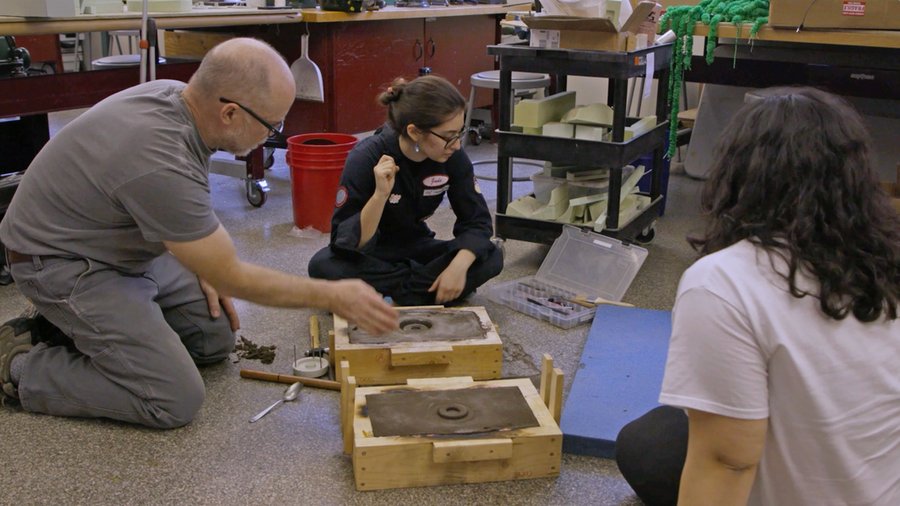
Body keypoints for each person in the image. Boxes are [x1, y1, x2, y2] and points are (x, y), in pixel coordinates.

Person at [0, 38, 398, 429]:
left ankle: (67, 329)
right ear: (230, 113)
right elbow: (233, 276)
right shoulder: (159, 156)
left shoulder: (181, 98)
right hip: (60, 262)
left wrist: (202, 260)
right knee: (172, 397)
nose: (274, 133)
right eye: (272, 124)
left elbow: (178, 208)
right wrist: (332, 294)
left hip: (121, 245)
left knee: (212, 338)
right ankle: (20, 367)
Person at [615, 87, 899, 505]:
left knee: (652, 445)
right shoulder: (886, 260)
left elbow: (727, 463)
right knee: (658, 433)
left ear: (738, 177)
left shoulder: (723, 282)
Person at [307, 75, 503, 306]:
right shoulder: (366, 157)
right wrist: (380, 196)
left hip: (417, 245)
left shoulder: (452, 155)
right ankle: (425, 294)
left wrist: (457, 268)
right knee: (323, 266)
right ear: (414, 132)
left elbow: (477, 222)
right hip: (374, 254)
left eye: (460, 132)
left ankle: (390, 296)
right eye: (449, 137)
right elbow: (347, 244)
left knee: (492, 255)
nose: (457, 145)